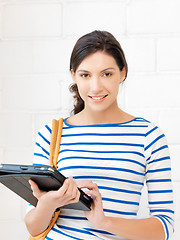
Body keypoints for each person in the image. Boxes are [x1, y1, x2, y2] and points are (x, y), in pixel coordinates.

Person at [25, 30, 174, 240]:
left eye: (107, 74)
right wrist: (49, 204)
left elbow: (165, 227)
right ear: (73, 75)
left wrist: (104, 222)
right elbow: (32, 227)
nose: (96, 87)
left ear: (123, 73)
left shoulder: (148, 136)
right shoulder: (51, 135)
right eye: (85, 75)